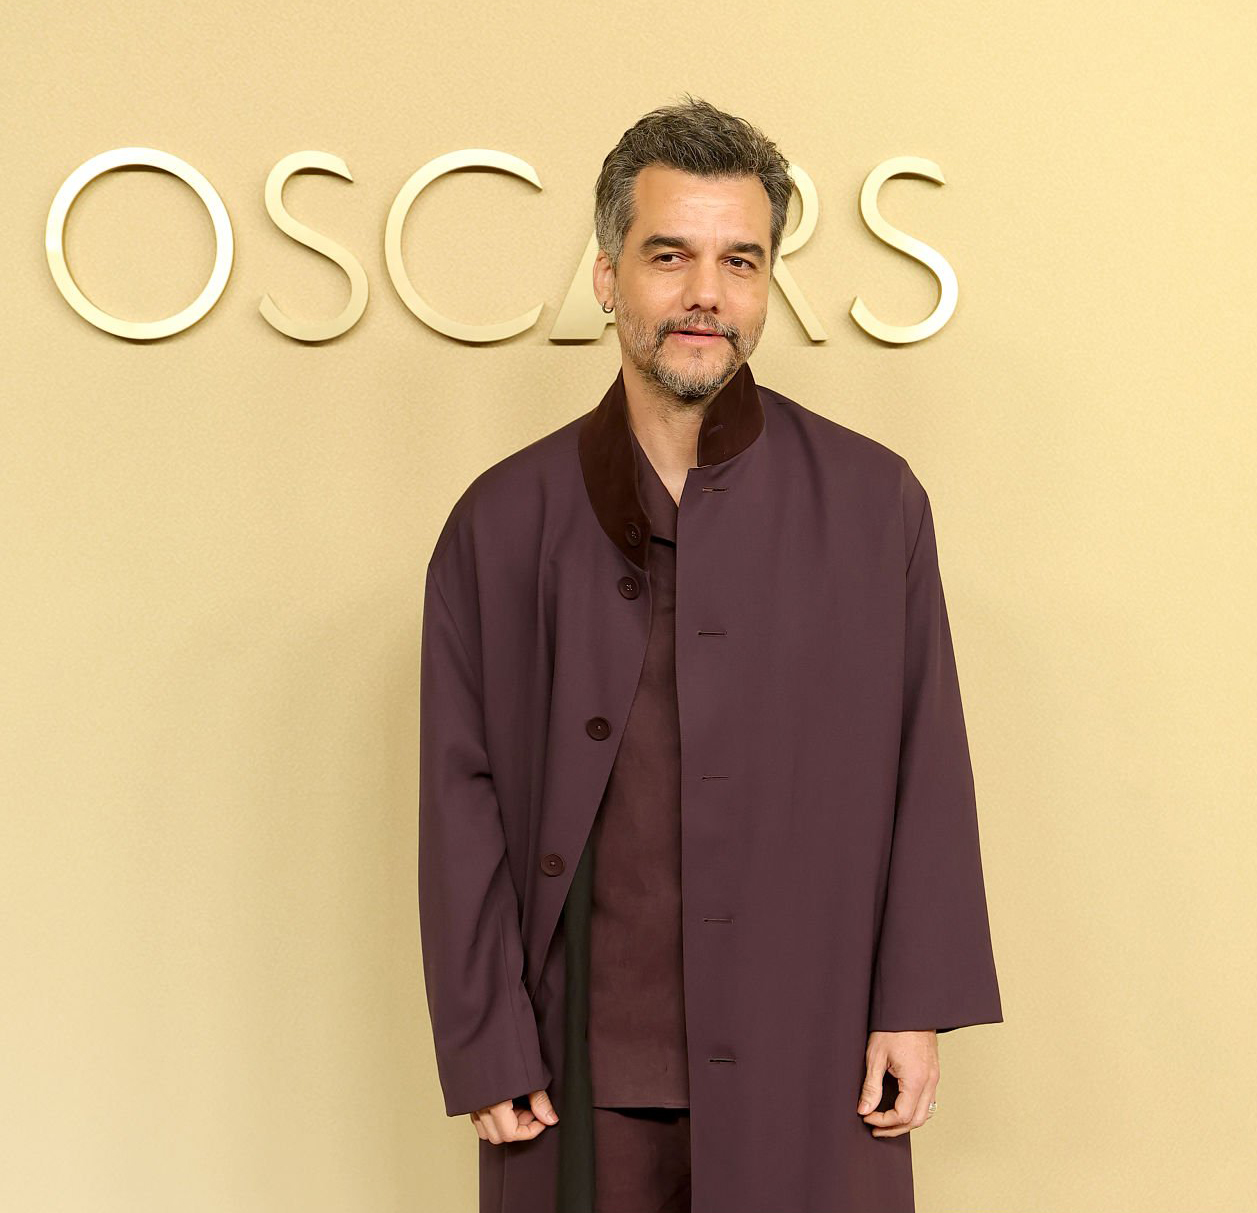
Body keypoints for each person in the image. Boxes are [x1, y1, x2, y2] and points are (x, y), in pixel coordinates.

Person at [418, 94, 1003, 1213]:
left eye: (741, 261)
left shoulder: (873, 503)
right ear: (606, 277)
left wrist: (913, 1004)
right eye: (669, 255)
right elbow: (460, 796)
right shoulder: (500, 521)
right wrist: (484, 1033)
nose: (707, 293)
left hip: (812, 1041)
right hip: (577, 1062)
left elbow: (926, 761)